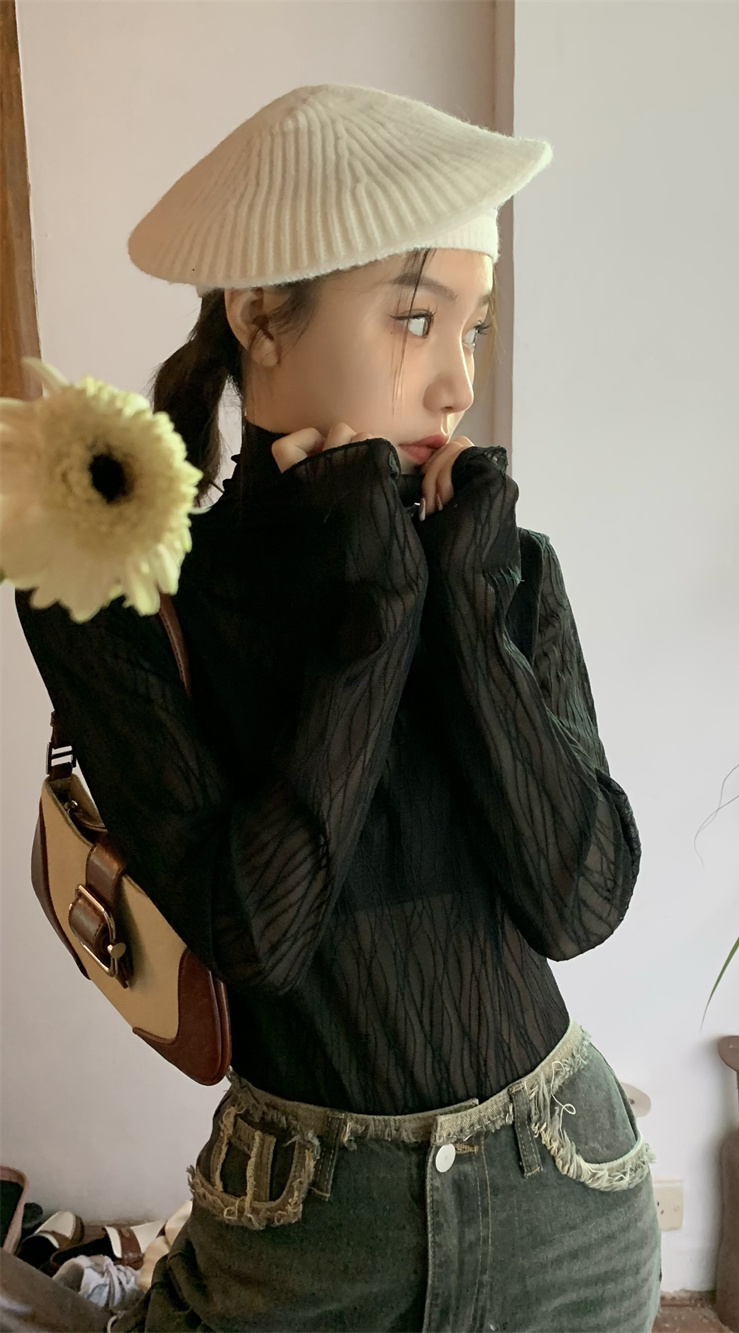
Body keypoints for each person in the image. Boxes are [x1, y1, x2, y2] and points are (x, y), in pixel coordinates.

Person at [15, 83, 662, 1333]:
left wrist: (459, 609)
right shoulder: (119, 596)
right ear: (260, 314)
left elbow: (579, 900)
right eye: (416, 318)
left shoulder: (500, 565)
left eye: (474, 327)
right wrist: (373, 614)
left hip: (569, 1204)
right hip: (302, 1244)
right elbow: (258, 933)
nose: (456, 383)